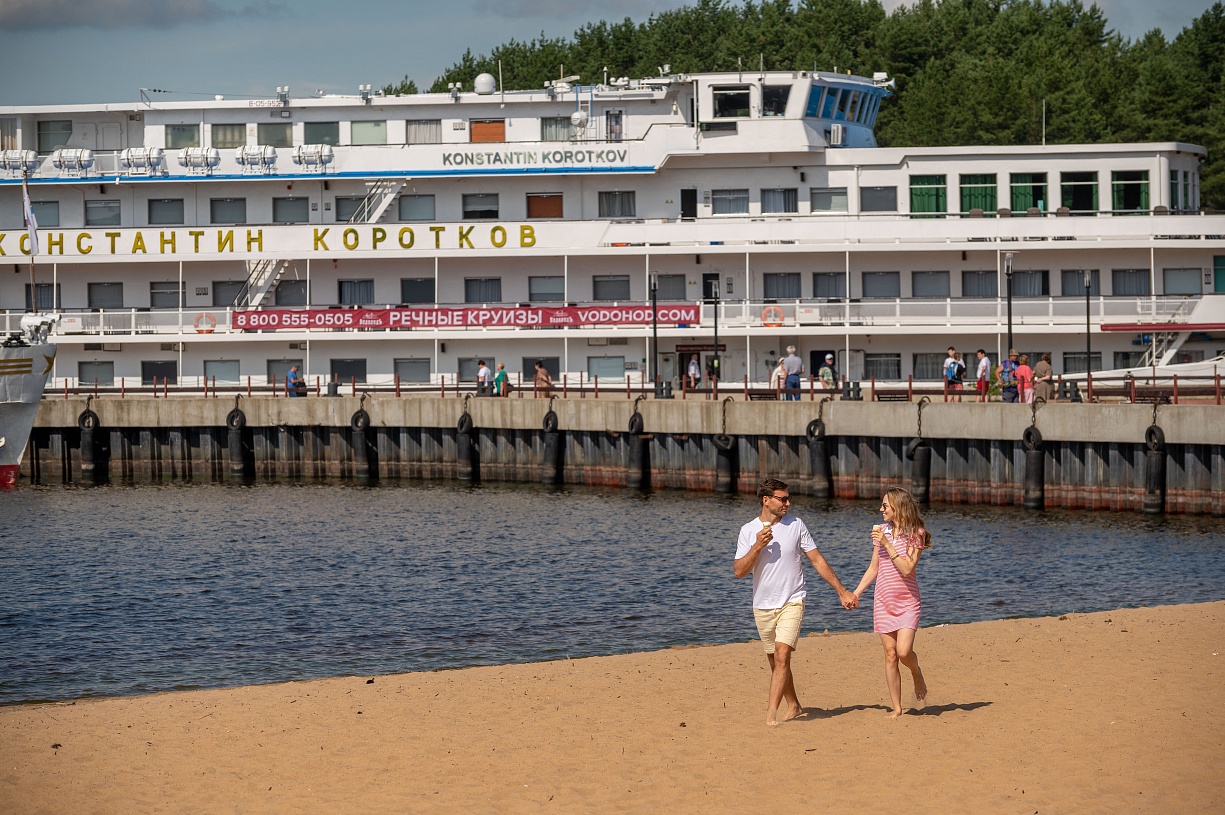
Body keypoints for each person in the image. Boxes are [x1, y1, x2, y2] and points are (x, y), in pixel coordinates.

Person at [734, 478, 858, 726]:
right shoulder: (748, 530)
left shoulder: (796, 525)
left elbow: (817, 560)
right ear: (766, 500)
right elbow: (739, 571)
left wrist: (842, 591)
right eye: (782, 499)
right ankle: (794, 705)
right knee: (775, 661)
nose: (788, 503)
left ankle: (771, 713)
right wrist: (758, 546)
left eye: (788, 498)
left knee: (782, 655)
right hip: (762, 605)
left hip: (793, 600)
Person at [851, 487, 931, 719]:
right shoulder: (882, 530)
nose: (881, 509)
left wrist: (887, 543)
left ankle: (916, 671)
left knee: (904, 652)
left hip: (907, 601)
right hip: (883, 600)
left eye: (885, 506)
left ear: (898, 507)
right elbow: (874, 568)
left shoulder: (916, 533)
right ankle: (897, 707)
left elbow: (907, 569)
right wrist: (856, 593)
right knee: (890, 654)